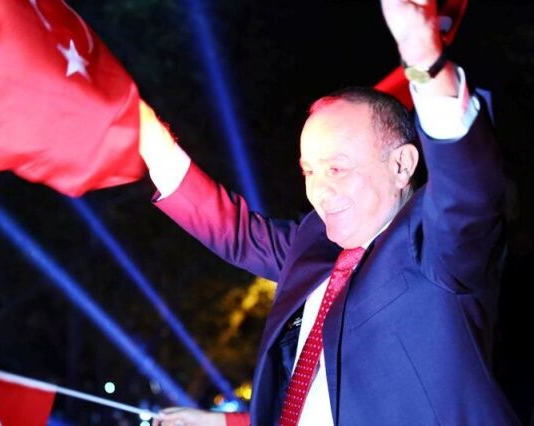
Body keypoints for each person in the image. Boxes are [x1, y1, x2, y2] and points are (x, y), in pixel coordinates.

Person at [144, 0, 520, 424]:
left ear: (401, 165)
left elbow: (467, 192)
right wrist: (148, 141)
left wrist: (425, 60)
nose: (319, 191)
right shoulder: (315, 246)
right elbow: (235, 231)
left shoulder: (438, 248)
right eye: (309, 170)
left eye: (337, 168)